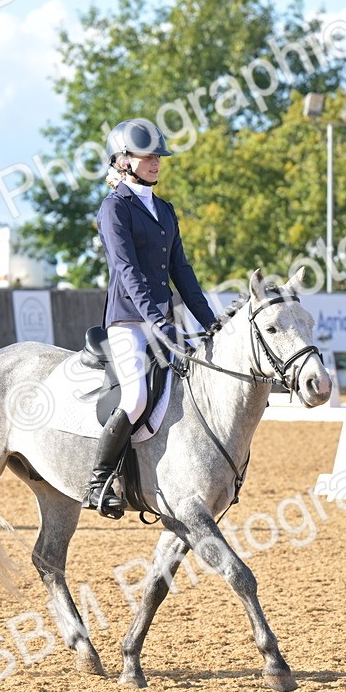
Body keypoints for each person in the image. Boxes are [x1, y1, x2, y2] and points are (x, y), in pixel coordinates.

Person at [82, 118, 219, 517]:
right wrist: (159, 321)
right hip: (127, 320)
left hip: (162, 320)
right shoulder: (114, 208)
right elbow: (128, 272)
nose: (157, 161)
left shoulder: (164, 209)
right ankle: (99, 479)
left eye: (158, 155)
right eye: (148, 155)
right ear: (123, 160)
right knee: (136, 396)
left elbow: (182, 272)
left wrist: (209, 322)